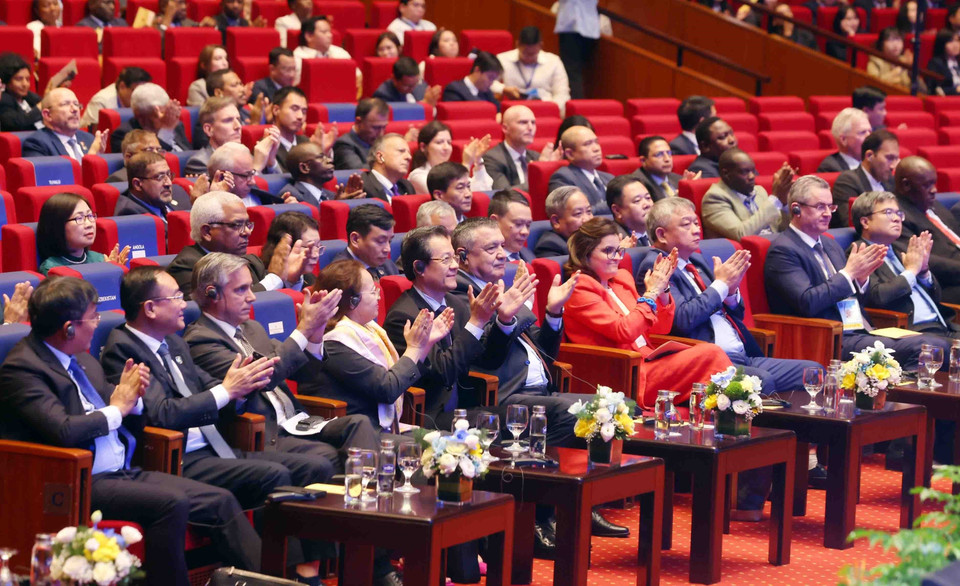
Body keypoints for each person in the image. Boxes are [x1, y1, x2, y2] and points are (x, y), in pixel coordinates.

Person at [0, 276, 263, 585]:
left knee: (219, 499)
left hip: (122, 470)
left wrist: (135, 398)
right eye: (93, 318)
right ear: (69, 328)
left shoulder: (82, 358)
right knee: (171, 503)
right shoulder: (23, 369)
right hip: (77, 480)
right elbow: (64, 430)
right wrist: (119, 407)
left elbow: (119, 402)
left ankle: (269, 580)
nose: (97, 325)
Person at [100, 266, 331, 583]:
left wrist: (240, 388)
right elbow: (162, 414)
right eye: (175, 297)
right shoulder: (123, 349)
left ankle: (292, 573)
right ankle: (278, 578)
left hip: (215, 445)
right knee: (266, 478)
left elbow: (213, 388)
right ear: (150, 308)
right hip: (175, 457)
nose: (184, 304)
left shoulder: (174, 343)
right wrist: (227, 390)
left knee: (300, 469)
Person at [183, 252, 384, 466]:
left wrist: (316, 333)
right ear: (212, 293)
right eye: (241, 289)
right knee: (329, 456)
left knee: (359, 423)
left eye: (250, 288)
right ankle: (365, 483)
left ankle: (367, 484)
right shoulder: (201, 340)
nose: (252, 297)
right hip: (263, 433)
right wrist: (304, 329)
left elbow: (304, 373)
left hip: (300, 422)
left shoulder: (252, 328)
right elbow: (265, 378)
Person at [764, 175, 948, 370]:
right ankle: (899, 385)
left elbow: (858, 296)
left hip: (860, 330)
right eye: (820, 207)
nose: (827, 213)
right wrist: (849, 274)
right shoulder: (784, 250)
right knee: (929, 347)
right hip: (826, 337)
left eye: (830, 207)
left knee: (939, 345)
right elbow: (807, 302)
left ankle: (894, 383)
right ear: (796, 209)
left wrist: (861, 280)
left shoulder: (829, 244)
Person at [641, 197, 819, 393]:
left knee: (813, 372)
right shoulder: (656, 266)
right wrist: (721, 285)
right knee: (763, 381)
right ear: (662, 234)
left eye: (696, 223)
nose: (696, 229)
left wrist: (731, 292)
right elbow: (682, 319)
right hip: (707, 362)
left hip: (742, 355)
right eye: (686, 224)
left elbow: (736, 314)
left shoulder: (696, 261)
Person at [563, 217, 734, 408]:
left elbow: (660, 328)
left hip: (651, 359)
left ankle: (734, 410)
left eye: (619, 250)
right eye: (608, 251)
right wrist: (651, 293)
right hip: (624, 374)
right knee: (711, 355)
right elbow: (623, 330)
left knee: (711, 357)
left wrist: (663, 291)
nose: (617, 257)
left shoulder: (621, 279)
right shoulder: (579, 288)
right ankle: (739, 408)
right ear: (585, 255)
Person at [298, 258, 450, 432]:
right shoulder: (334, 343)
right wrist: (414, 348)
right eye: (373, 292)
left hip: (381, 428)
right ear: (353, 301)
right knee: (447, 442)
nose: (379, 296)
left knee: (452, 440)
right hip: (361, 434)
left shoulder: (369, 330)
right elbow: (387, 388)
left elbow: (399, 380)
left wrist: (424, 345)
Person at [383, 225, 513, 426]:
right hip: (430, 416)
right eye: (446, 259)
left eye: (454, 258)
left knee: (523, 416)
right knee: (507, 422)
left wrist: (504, 321)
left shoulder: (455, 304)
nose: (454, 266)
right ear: (419, 267)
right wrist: (476, 322)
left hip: (465, 407)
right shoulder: (404, 316)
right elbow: (442, 373)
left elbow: (488, 360)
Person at [850, 190, 959, 336]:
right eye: (888, 212)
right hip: (913, 331)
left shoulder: (901, 249)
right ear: (865, 222)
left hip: (943, 326)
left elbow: (937, 297)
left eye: (899, 213)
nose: (897, 219)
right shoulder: (859, 253)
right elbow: (878, 297)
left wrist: (924, 272)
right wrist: (911, 271)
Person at [166, 191, 306, 298]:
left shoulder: (252, 262)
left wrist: (291, 279)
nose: (247, 232)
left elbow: (274, 305)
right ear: (207, 232)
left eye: (247, 224)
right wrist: (274, 279)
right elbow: (219, 310)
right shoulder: (186, 267)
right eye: (237, 225)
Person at [895, 157, 960, 304]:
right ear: (906, 185)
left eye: (934, 183)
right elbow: (923, 260)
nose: (934, 190)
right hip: (944, 285)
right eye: (927, 185)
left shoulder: (933, 205)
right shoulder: (898, 217)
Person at [701, 149, 794, 241]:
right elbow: (741, 235)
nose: (752, 176)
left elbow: (780, 228)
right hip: (747, 249)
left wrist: (783, 202)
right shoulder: (714, 198)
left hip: (775, 244)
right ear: (726, 173)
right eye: (744, 172)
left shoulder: (759, 191)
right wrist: (775, 199)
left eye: (753, 171)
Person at [183, 97, 281, 176]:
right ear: (209, 129)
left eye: (238, 119)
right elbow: (234, 193)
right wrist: (256, 168)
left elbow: (278, 190)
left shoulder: (249, 158)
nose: (238, 126)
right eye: (228, 120)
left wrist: (271, 162)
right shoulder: (200, 163)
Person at [36, 193, 130, 275]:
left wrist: (115, 274)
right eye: (79, 218)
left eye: (90, 216)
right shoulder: (52, 269)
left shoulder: (100, 259)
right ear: (58, 225)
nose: (89, 224)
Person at [831, 129, 900, 228]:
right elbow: (853, 225)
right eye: (889, 158)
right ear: (869, 155)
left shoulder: (891, 181)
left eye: (896, 159)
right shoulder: (848, 181)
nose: (893, 166)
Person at [494, 26, 571, 114]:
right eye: (525, 53)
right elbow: (489, 84)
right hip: (513, 109)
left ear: (541, 46)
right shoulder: (503, 59)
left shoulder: (553, 61)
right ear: (517, 44)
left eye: (532, 54)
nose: (529, 58)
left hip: (545, 108)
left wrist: (551, 109)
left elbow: (562, 93)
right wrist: (503, 89)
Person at [484, 105, 560, 191]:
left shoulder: (536, 156)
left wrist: (548, 168)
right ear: (505, 128)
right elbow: (505, 194)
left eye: (533, 123)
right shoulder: (492, 159)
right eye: (523, 122)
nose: (530, 128)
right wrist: (539, 174)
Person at [408, 120, 493, 194]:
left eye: (449, 142)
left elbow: (484, 190)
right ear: (423, 147)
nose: (446, 147)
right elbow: (450, 195)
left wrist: (478, 160)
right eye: (439, 142)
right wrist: (466, 163)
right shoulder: (417, 176)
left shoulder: (452, 171)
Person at [22, 88, 106, 160]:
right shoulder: (36, 144)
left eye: (76, 104)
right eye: (65, 104)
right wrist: (91, 158)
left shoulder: (89, 139)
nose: (75, 109)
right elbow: (52, 174)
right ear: (47, 115)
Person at [547, 125, 612, 215]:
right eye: (587, 144)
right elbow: (570, 214)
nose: (596, 149)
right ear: (570, 154)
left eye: (596, 142)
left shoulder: (609, 178)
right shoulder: (562, 178)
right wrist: (613, 204)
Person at [111, 83, 190, 153]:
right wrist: (165, 131)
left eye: (166, 111)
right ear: (140, 117)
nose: (166, 117)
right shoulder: (124, 135)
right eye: (160, 113)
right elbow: (150, 161)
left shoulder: (175, 124)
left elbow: (189, 153)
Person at [206, 142, 292, 207]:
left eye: (252, 173)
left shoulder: (259, 196)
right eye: (246, 176)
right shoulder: (209, 205)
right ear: (222, 177)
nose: (253, 182)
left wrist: (286, 208)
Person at [116, 151, 191, 222]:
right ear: (137, 184)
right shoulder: (130, 215)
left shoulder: (178, 192)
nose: (168, 183)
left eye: (168, 174)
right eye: (159, 177)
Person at [331, 203, 400, 280]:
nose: (388, 249)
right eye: (380, 241)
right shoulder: (340, 276)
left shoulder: (389, 266)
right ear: (355, 239)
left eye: (389, 241)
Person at [284, 142, 365, 206]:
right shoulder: (291, 196)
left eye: (327, 156)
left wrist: (351, 205)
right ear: (304, 168)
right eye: (321, 157)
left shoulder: (332, 195)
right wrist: (335, 206)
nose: (330, 160)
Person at [259, 211, 321, 290]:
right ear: (283, 247)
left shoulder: (311, 281)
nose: (316, 255)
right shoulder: (256, 277)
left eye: (318, 246)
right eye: (308, 247)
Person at [554, 0, 601, 100]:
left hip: (572, 26)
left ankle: (577, 105)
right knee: (582, 73)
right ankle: (579, 103)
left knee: (572, 72)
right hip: (589, 27)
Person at [80, 67, 152, 132]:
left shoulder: (144, 99)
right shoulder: (101, 101)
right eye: (137, 91)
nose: (140, 95)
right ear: (122, 86)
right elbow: (92, 133)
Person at [292, 16, 355, 86]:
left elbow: (357, 76)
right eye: (324, 32)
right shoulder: (297, 57)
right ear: (309, 36)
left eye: (329, 31)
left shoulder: (340, 52)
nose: (330, 35)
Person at [633, 135, 700, 201]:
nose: (667, 159)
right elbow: (656, 207)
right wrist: (681, 194)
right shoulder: (636, 185)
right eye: (659, 154)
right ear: (643, 160)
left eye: (669, 153)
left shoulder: (677, 179)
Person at [534, 186, 594, 257]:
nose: (587, 219)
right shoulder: (550, 246)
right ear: (556, 221)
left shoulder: (595, 238)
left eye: (589, 211)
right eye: (578, 213)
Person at [333, 97, 389, 170]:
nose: (381, 133)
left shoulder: (381, 141)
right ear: (358, 121)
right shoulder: (343, 145)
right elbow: (359, 171)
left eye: (384, 127)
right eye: (375, 128)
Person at [361, 134, 415, 203]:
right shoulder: (363, 186)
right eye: (401, 151)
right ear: (380, 157)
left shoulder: (406, 186)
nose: (409, 157)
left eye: (409, 153)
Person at [817, 108, 872, 173]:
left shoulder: (874, 162)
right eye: (862, 132)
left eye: (870, 131)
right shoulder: (830, 168)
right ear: (843, 139)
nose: (869, 137)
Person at [372, 56, 441, 106]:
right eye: (407, 86)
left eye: (415, 83)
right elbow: (398, 116)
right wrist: (424, 105)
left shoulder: (421, 86)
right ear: (394, 79)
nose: (412, 88)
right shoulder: (383, 95)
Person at [0, 52, 43, 131]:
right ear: (6, 81)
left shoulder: (30, 96)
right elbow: (19, 123)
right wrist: (40, 107)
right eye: (19, 79)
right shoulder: (3, 100)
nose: (25, 84)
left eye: (27, 79)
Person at [489, 189, 535, 261]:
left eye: (528, 225)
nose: (525, 232)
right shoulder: (487, 263)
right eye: (518, 224)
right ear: (494, 222)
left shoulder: (528, 254)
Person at [606, 175, 653, 246]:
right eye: (637, 200)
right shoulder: (613, 243)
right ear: (617, 211)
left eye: (648, 198)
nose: (647, 204)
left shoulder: (659, 232)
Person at [927, 28, 960, 96]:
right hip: (948, 98)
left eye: (957, 40)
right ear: (942, 44)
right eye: (951, 41)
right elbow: (936, 89)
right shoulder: (935, 63)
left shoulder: (958, 61)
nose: (956, 45)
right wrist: (955, 90)